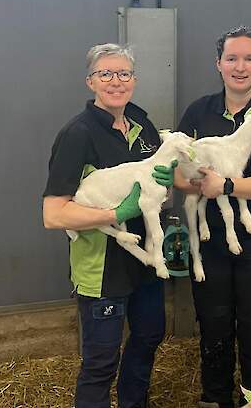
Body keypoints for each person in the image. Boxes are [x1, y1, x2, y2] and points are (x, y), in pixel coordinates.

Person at [42, 43, 177, 408]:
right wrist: (115, 214)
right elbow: (53, 215)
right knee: (101, 360)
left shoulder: (144, 127)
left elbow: (157, 181)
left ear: (134, 80)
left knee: (149, 336)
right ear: (90, 81)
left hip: (145, 259)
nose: (116, 82)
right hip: (102, 267)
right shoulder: (78, 135)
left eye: (124, 74)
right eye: (106, 74)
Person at [174, 26, 251, 408]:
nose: (239, 67)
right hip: (211, 241)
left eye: (248, 58)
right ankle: (214, 399)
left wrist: (222, 185)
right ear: (219, 64)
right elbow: (179, 174)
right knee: (213, 326)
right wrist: (203, 183)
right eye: (232, 58)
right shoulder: (199, 111)